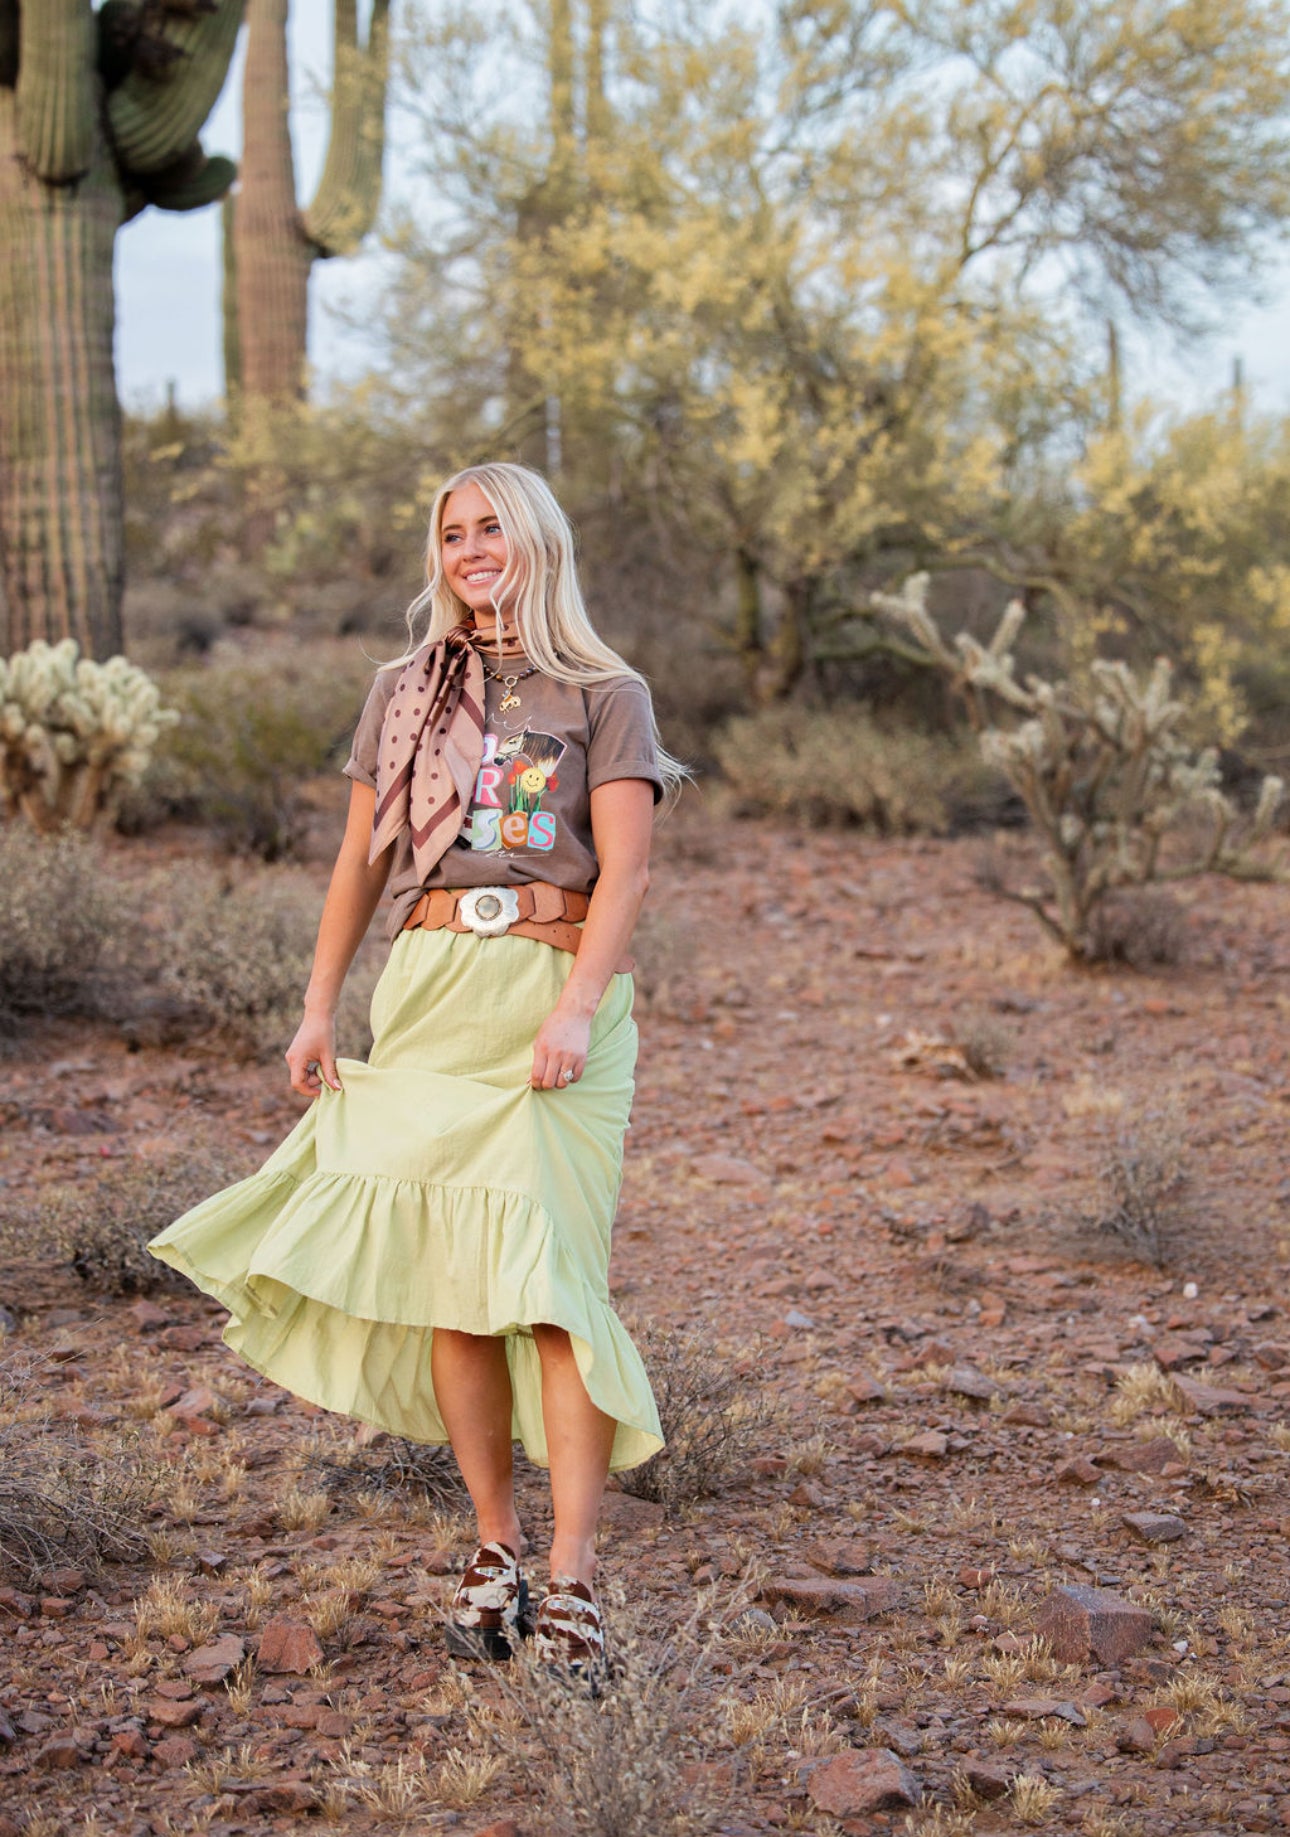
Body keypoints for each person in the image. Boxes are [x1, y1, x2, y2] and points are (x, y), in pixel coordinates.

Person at [148, 461, 686, 1676]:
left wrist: (577, 1006)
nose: (471, 548)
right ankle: (495, 1548)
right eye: (453, 532)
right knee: (457, 1282)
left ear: (536, 539)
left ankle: (575, 1581)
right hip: (434, 988)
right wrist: (316, 1007)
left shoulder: (607, 690)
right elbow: (358, 862)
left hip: (553, 996)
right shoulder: (405, 689)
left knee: (551, 1288)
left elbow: (631, 873)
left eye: (492, 527)